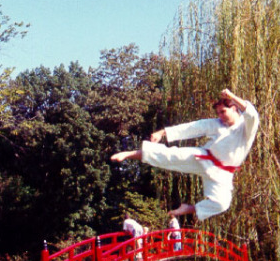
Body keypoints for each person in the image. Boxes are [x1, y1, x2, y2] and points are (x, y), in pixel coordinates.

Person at [111, 89, 259, 221]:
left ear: (234, 108)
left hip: (223, 173)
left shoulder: (246, 128)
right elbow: (193, 128)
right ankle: (129, 154)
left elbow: (252, 114)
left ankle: (188, 208)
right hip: (204, 158)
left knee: (222, 203)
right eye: (218, 113)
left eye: (223, 112)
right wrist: (164, 132)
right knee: (171, 156)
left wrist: (233, 96)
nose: (220, 116)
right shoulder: (216, 124)